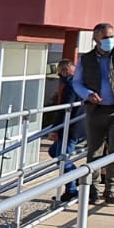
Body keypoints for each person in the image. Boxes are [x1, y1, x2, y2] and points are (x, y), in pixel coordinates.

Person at [70, 23, 114, 203]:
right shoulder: (86, 59)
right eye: (104, 37)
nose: (109, 40)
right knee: (94, 150)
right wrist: (87, 94)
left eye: (111, 36)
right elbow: (76, 82)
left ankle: (111, 187)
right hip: (95, 110)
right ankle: (92, 188)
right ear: (95, 39)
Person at [45, 58, 84, 201]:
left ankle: (72, 188)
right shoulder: (82, 82)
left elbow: (64, 109)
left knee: (62, 159)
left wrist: (55, 130)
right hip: (81, 127)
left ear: (65, 71)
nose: (60, 78)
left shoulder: (70, 85)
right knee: (53, 151)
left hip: (71, 128)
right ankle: (77, 174)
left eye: (60, 74)